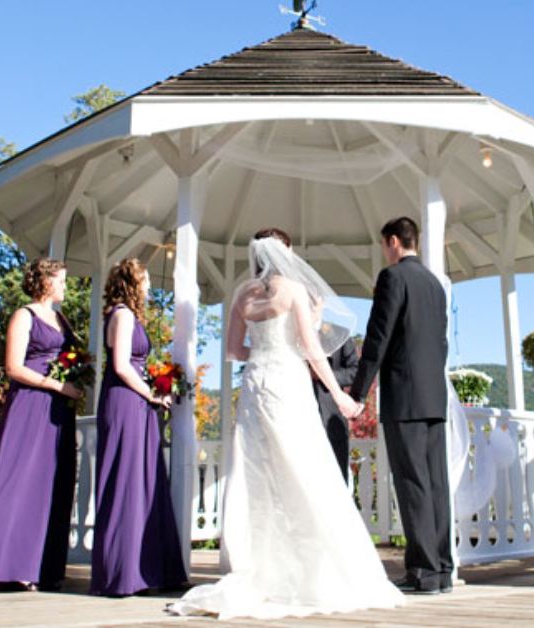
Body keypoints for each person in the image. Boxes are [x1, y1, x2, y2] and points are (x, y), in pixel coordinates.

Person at [169, 228, 403, 619]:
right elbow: (312, 349)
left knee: (258, 474)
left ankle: (261, 568)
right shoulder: (293, 289)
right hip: (287, 381)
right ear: (285, 254)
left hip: (256, 382)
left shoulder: (243, 294)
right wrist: (342, 395)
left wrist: (263, 350)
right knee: (306, 467)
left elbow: (231, 350)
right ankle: (316, 567)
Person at [348, 217, 453, 595]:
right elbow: (440, 343)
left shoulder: (393, 278)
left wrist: (358, 393)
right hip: (433, 396)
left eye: (384, 244)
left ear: (393, 241)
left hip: (405, 396)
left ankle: (422, 573)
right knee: (436, 483)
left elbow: (378, 338)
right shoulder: (435, 284)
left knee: (413, 484)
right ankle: (442, 569)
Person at [0, 257, 84, 591]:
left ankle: (44, 566)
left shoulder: (61, 319)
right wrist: (56, 384)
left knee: (54, 483)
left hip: (58, 410)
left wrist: (73, 379)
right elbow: (14, 367)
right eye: (60, 280)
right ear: (45, 281)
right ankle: (8, 565)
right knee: (21, 480)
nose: (64, 285)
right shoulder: (24, 315)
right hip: (31, 404)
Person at [89, 259, 187, 596]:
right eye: (144, 279)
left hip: (134, 401)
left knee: (142, 482)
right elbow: (121, 366)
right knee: (127, 481)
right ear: (132, 282)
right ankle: (124, 572)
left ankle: (145, 569)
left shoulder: (119, 315)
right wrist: (154, 395)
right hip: (127, 401)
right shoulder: (123, 315)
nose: (148, 285)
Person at [311, 335, 359, 481]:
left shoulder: (340, 333)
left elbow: (355, 372)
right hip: (296, 416)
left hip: (332, 417)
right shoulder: (289, 332)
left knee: (337, 477)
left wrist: (323, 375)